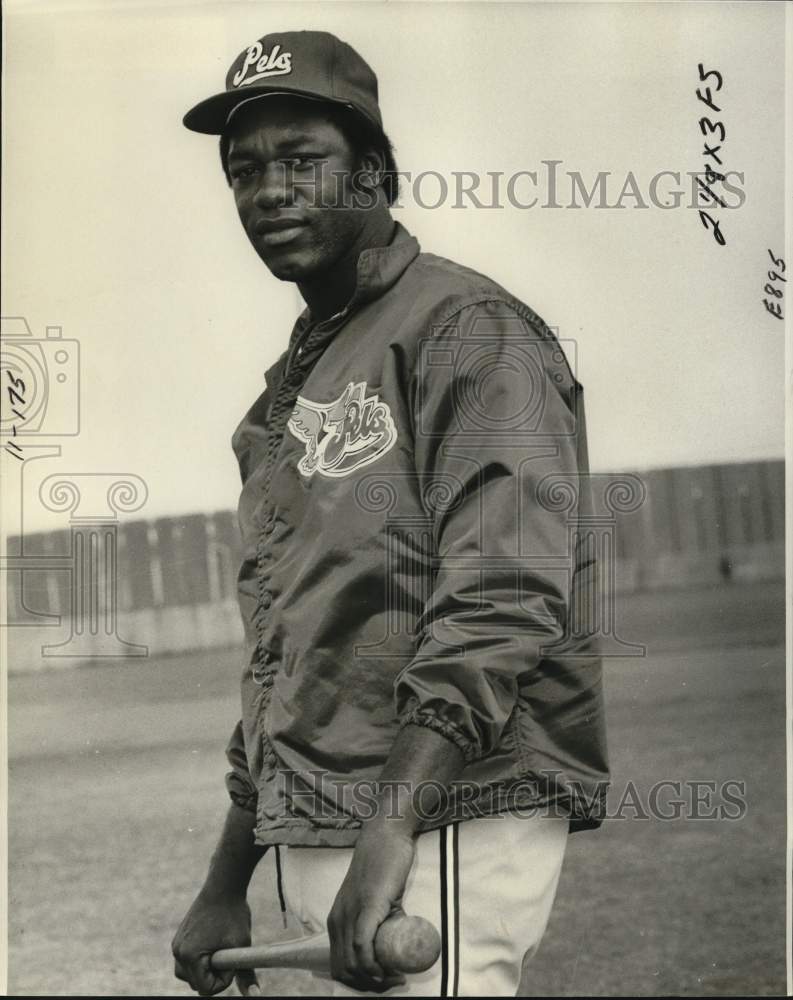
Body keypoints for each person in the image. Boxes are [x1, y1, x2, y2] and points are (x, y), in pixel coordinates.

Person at [173, 29, 608, 997]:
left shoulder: (466, 331)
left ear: (372, 174)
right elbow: (283, 658)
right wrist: (225, 879)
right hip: (325, 819)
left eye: (301, 161)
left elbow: (501, 596)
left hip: (446, 808)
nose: (269, 191)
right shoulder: (290, 389)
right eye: (245, 171)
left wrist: (391, 825)